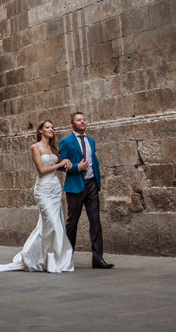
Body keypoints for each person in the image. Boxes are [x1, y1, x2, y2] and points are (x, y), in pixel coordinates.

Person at [0, 120, 75, 273]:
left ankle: (55, 259)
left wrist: (68, 163)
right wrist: (59, 164)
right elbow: (42, 170)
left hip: (55, 189)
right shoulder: (35, 147)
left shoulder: (53, 148)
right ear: (40, 131)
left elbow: (62, 163)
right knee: (50, 222)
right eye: (48, 127)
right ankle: (36, 257)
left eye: (52, 127)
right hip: (43, 190)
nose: (51, 129)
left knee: (53, 224)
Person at [59, 111, 114, 269]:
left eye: (83, 119)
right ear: (72, 123)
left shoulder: (91, 141)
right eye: (78, 120)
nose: (82, 122)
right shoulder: (66, 142)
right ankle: (66, 258)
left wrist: (98, 185)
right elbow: (62, 165)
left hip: (91, 185)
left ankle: (98, 258)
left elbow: (94, 163)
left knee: (95, 222)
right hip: (75, 187)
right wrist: (77, 167)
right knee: (72, 223)